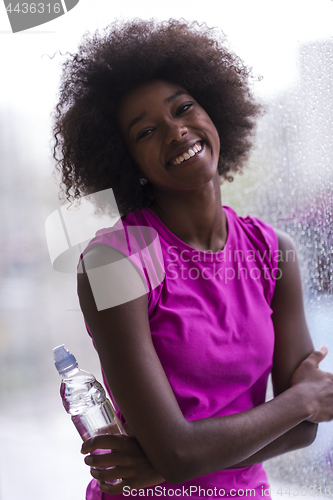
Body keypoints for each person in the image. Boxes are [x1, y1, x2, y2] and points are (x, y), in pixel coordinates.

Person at [53, 19, 333, 499]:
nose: (177, 131)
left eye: (184, 108)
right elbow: (181, 451)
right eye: (146, 132)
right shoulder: (112, 262)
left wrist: (166, 464)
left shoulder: (274, 252)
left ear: (214, 109)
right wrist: (302, 398)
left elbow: (306, 430)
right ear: (127, 163)